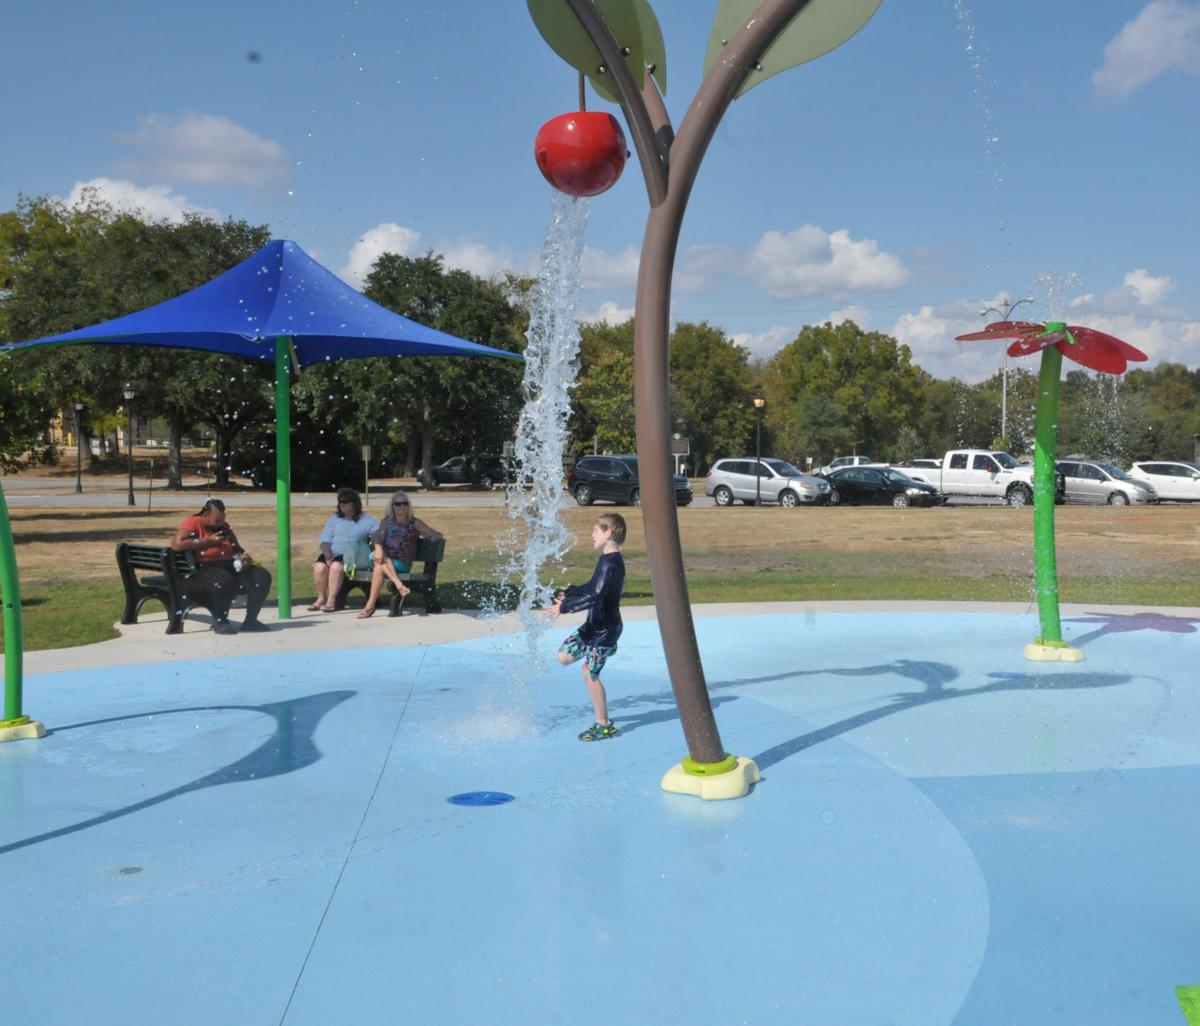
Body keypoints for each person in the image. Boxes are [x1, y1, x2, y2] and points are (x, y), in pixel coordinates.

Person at [544, 512, 626, 741]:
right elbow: (592, 587)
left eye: (595, 530)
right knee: (563, 656)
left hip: (606, 630)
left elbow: (595, 597)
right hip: (593, 625)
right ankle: (604, 651)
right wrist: (572, 591)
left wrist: (565, 608)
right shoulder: (606, 559)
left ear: (609, 533)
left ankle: (604, 724)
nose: (591, 535)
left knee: (590, 674)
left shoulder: (613, 563)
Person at [171, 498, 272, 635]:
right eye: (216, 521)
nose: (219, 524)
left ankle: (251, 620)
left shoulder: (224, 527)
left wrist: (244, 559)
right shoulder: (193, 522)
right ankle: (221, 621)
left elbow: (237, 549)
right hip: (201, 572)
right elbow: (176, 544)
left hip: (228, 568)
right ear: (205, 515)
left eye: (222, 520)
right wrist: (208, 542)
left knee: (261, 576)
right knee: (224, 579)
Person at [358, 489, 444, 619]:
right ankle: (400, 586)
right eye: (398, 504)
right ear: (392, 507)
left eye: (405, 503)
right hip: (381, 557)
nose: (402, 506)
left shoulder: (415, 523)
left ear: (409, 506)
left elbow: (433, 533)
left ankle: (370, 606)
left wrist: (434, 536)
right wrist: (379, 550)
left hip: (401, 563)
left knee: (379, 566)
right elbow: (377, 538)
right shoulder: (387, 521)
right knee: (381, 560)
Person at [311, 487, 379, 612]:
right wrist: (327, 555)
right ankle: (321, 597)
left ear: (354, 503)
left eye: (345, 501)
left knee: (336, 567)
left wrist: (375, 544)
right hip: (332, 553)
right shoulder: (335, 518)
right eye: (340, 501)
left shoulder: (367, 520)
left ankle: (332, 600)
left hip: (352, 555)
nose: (342, 504)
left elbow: (379, 533)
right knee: (319, 567)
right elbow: (325, 538)